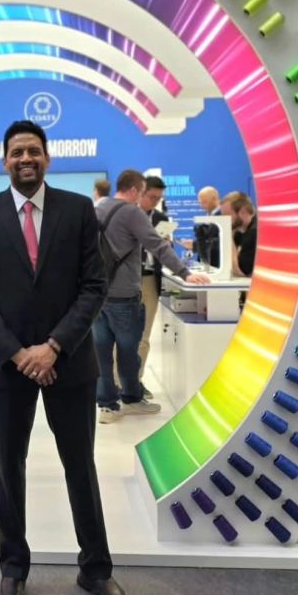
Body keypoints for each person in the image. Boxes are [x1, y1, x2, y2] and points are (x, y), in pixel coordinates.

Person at [0, 120, 127, 595]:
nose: (25, 159)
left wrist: (53, 347)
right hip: (6, 365)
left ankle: (96, 568)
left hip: (68, 361)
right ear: (5, 161)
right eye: (17, 152)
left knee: (81, 465)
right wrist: (19, 354)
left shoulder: (77, 210)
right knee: (9, 466)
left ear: (47, 158)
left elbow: (94, 285)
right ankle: (13, 568)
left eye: (33, 151)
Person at [95, 171, 210, 421]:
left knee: (102, 352)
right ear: (134, 190)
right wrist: (185, 272)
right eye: (143, 192)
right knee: (129, 351)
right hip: (125, 295)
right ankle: (131, 399)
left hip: (97, 295)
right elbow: (157, 246)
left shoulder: (99, 207)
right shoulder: (132, 212)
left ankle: (107, 406)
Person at [137, 175, 173, 398]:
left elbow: (166, 253)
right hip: (127, 280)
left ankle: (137, 381)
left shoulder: (162, 218)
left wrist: (167, 245)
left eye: (158, 199)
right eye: (151, 197)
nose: (154, 202)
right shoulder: (127, 215)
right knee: (120, 336)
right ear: (141, 192)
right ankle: (116, 383)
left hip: (151, 279)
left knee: (144, 335)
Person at [221, 191, 257, 277]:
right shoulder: (239, 233)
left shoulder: (254, 233)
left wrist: (229, 236)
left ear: (243, 212)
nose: (225, 219)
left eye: (228, 215)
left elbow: (239, 271)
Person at [194, 186, 222, 268]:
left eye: (204, 202)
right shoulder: (209, 216)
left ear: (214, 199)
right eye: (200, 202)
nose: (202, 206)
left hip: (217, 263)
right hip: (208, 263)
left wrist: (194, 245)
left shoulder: (223, 215)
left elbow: (221, 241)